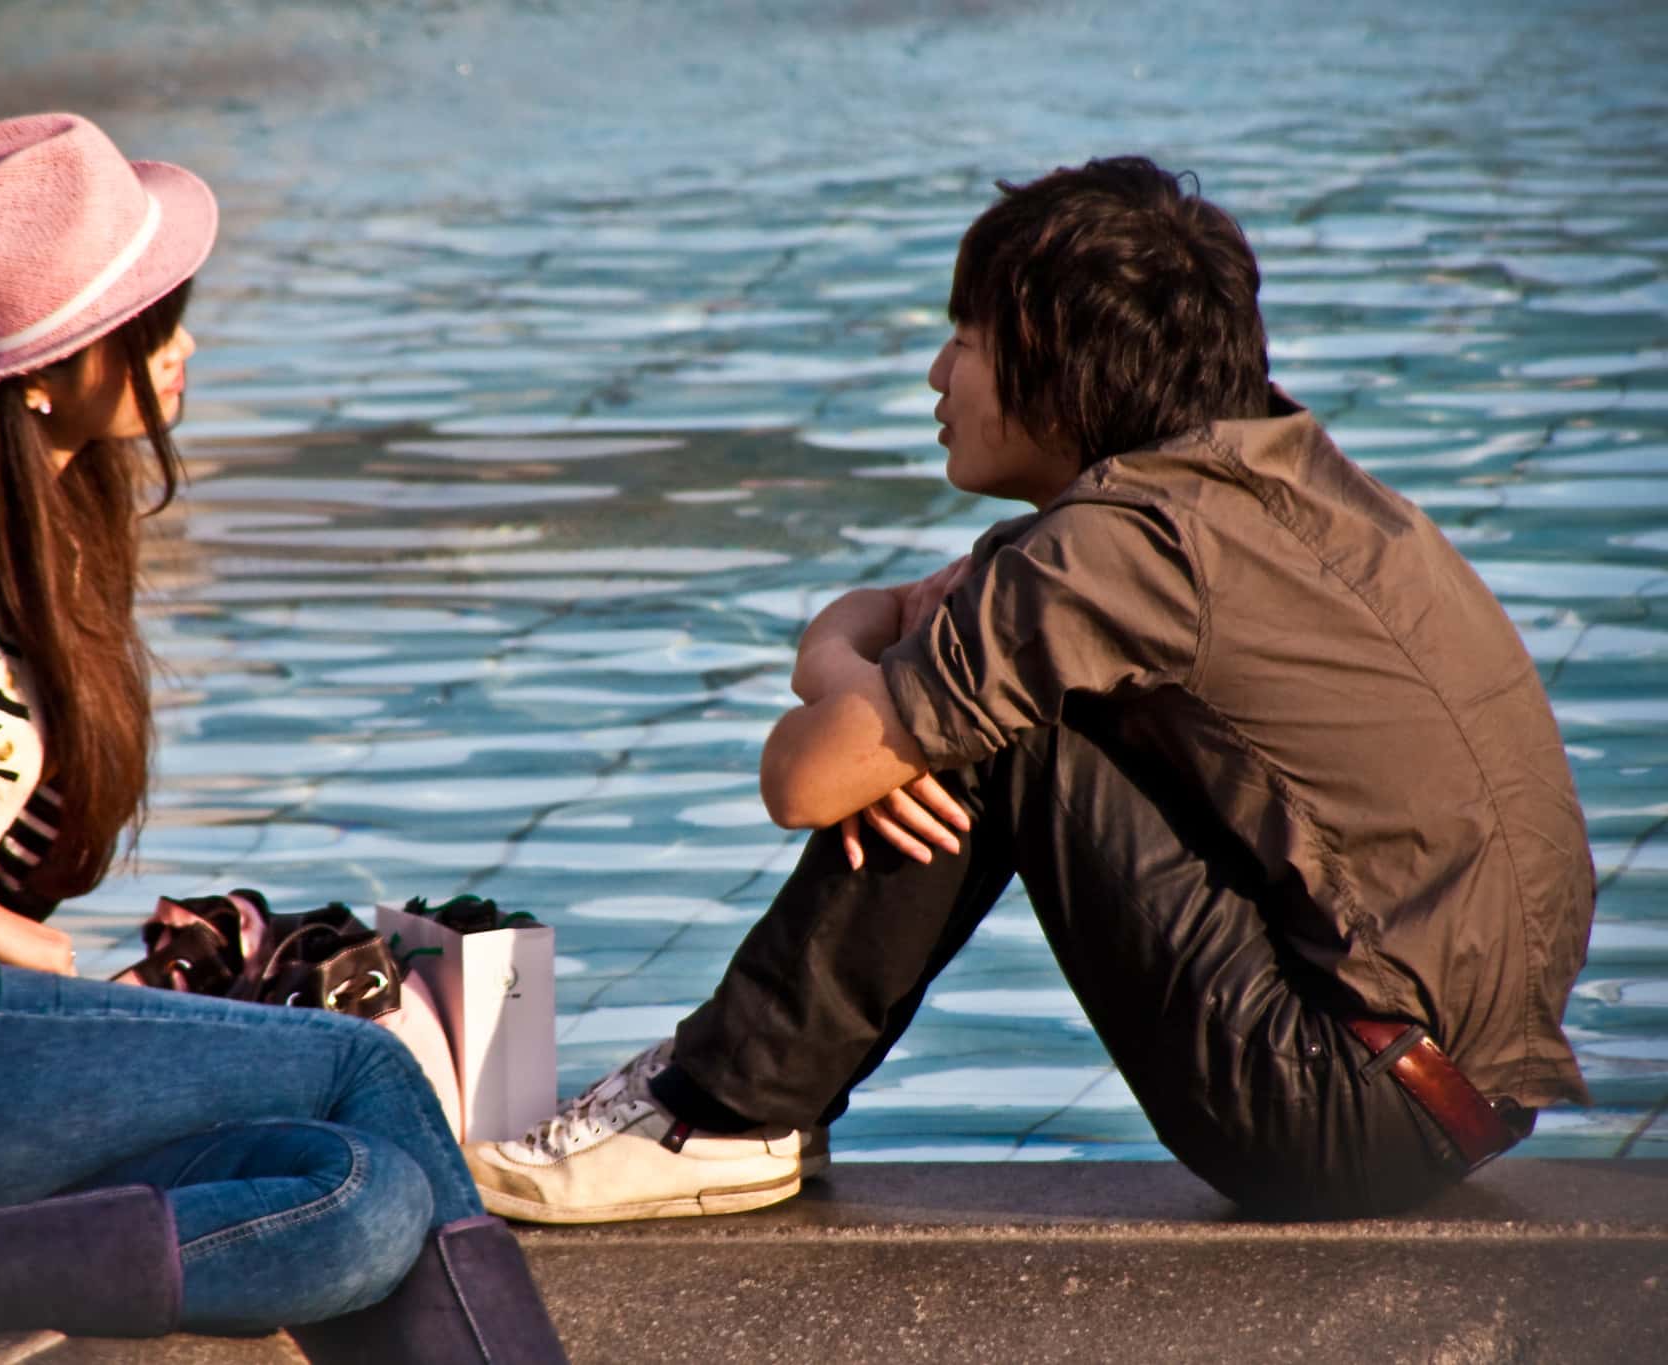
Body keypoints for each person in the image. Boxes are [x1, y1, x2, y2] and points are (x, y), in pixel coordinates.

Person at [465, 156, 1594, 1224]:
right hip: (1452, 1097)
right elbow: (883, 628)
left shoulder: (1113, 556)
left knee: (1001, 733)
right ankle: (741, 1096)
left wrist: (859, 698)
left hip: (1338, 1108)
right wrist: (846, 672)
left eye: (964, 339)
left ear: (1059, 371)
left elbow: (801, 776)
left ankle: (725, 1114)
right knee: (971, 702)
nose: (934, 375)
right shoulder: (1275, 490)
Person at [0, 112, 566, 1363]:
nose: (186, 347)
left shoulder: (22, 527)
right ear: (51, 365)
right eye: (156, 322)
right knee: (362, 1072)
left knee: (362, 1195)